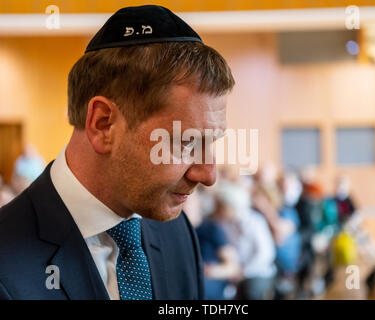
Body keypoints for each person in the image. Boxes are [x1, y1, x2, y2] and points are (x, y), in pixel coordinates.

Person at [0, 5, 235, 300]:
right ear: (103, 125)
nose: (208, 174)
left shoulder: (176, 232)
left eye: (211, 142)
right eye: (186, 143)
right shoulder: (6, 264)